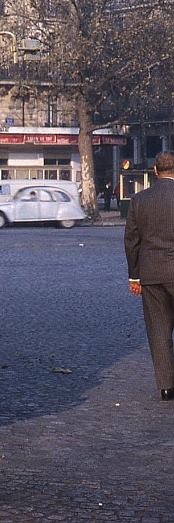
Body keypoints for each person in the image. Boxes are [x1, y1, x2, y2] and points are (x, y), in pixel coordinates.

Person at [124, 150, 174, 401]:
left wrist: (135, 277)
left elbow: (131, 240)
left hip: (151, 272)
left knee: (159, 330)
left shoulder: (139, 199)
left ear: (155, 171)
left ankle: (166, 386)